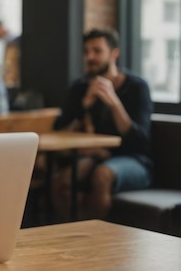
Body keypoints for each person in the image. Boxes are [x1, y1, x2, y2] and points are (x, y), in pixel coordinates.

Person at [52, 28, 152, 221]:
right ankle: (76, 235)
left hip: (134, 159)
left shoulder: (137, 86)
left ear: (114, 53)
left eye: (97, 51)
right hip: (95, 155)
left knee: (102, 175)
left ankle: (91, 237)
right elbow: (60, 129)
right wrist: (84, 106)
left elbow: (140, 141)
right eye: (86, 51)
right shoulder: (80, 87)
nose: (90, 57)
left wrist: (114, 103)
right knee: (60, 182)